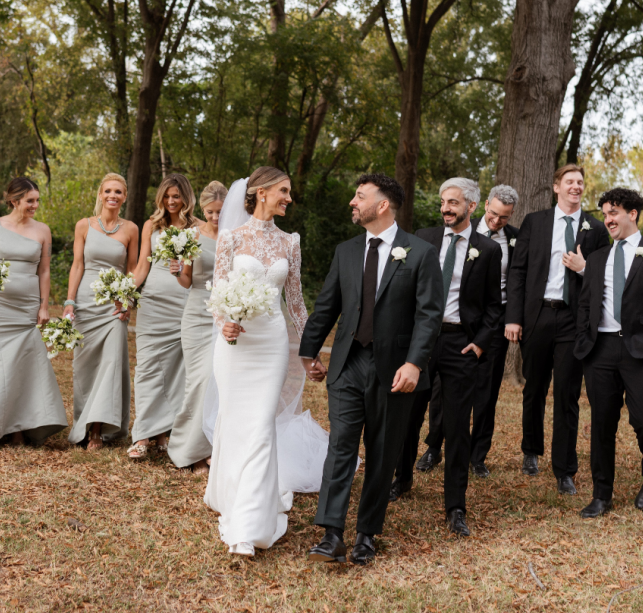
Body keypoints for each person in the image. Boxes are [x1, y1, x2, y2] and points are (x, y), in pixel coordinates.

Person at [299, 173, 443, 565]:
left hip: (396, 370)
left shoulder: (419, 252)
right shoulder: (346, 251)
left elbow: (429, 315)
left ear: (382, 205)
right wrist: (309, 352)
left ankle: (367, 535)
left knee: (382, 452)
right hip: (347, 364)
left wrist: (414, 363)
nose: (352, 202)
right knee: (340, 447)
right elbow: (327, 304)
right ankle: (331, 535)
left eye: (359, 196)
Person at [204, 168, 327, 557]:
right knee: (237, 420)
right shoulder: (231, 238)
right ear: (260, 193)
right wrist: (225, 324)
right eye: (284, 191)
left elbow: (295, 302)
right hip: (236, 346)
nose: (289, 198)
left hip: (272, 343)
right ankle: (231, 490)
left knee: (260, 425)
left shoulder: (290, 242)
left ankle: (248, 525)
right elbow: (219, 295)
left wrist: (311, 350)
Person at [390, 178, 502, 538]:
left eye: (453, 202)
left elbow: (492, 307)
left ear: (472, 206)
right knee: (408, 414)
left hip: (460, 345)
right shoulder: (423, 237)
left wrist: (480, 343)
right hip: (420, 342)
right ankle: (402, 478)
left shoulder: (487, 249)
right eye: (443, 202)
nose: (445, 208)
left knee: (456, 427)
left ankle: (455, 506)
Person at [505, 163, 609, 492]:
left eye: (580, 182)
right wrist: (514, 317)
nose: (575, 186)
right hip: (537, 316)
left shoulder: (594, 228)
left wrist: (585, 267)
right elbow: (518, 272)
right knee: (534, 388)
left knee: (567, 393)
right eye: (569, 182)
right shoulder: (535, 222)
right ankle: (531, 451)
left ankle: (565, 469)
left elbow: (605, 274)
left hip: (573, 321)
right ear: (556, 187)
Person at [575, 188, 643, 516]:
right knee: (602, 422)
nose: (608, 219)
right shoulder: (597, 259)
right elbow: (586, 304)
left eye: (614, 212)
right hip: (600, 350)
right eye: (605, 213)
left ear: (632, 214)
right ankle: (601, 494)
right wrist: (584, 343)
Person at [0, 177, 67, 450]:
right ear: (14, 200)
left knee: (24, 366)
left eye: (37, 200)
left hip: (26, 307)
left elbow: (44, 270)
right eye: (30, 200)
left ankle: (19, 428)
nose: (35, 205)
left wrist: (44, 305)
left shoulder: (43, 231)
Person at [63, 173, 139, 449]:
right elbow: (77, 266)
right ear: (100, 193)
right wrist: (70, 301)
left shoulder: (131, 229)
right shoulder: (84, 225)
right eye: (108, 190)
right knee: (84, 366)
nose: (112, 196)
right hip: (86, 301)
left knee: (110, 364)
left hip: (114, 306)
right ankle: (83, 422)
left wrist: (127, 301)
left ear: (125, 196)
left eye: (118, 192)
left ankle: (97, 429)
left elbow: (132, 269)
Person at [128, 174, 196, 461]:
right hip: (153, 302)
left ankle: (163, 432)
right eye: (167, 196)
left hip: (182, 303)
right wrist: (125, 292)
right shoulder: (151, 225)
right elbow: (142, 266)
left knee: (175, 371)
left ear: (186, 198)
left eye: (176, 196)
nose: (171, 201)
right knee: (147, 367)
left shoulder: (196, 229)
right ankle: (142, 434)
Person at [167, 180, 227, 474]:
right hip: (196, 315)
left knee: (215, 382)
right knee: (198, 381)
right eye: (211, 212)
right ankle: (187, 451)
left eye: (221, 212)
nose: (216, 218)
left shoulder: (234, 237)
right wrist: (177, 270)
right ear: (202, 209)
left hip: (223, 316)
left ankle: (208, 451)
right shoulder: (191, 235)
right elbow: (187, 281)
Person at [468, 184, 520, 476]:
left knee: (487, 392)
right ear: (484, 204)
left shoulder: (515, 239)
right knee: (445, 389)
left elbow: (518, 280)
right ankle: (436, 445)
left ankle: (477, 456)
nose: (497, 221)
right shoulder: (464, 231)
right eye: (494, 213)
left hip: (498, 321)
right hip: (463, 321)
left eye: (504, 217)